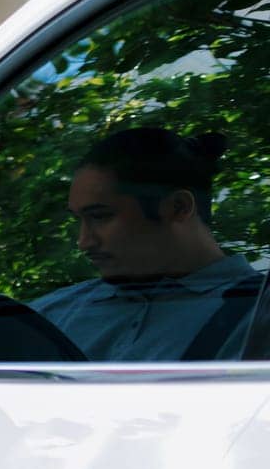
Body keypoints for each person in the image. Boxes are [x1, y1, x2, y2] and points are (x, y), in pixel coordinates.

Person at [32, 128, 263, 361]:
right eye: (79, 220)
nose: (83, 242)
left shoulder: (258, 315)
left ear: (178, 207)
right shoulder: (50, 314)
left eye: (100, 216)